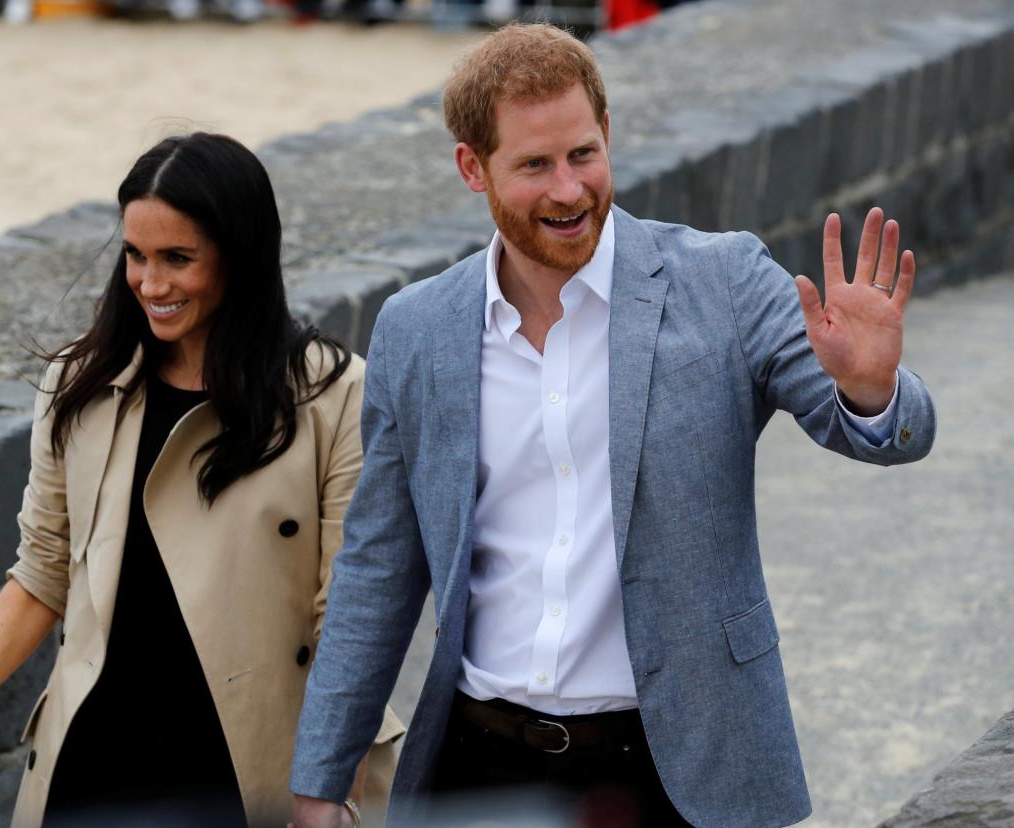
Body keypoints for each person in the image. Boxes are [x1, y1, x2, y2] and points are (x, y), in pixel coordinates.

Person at [289, 23, 935, 828]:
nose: (569, 190)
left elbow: (875, 429)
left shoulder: (725, 280)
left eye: (583, 154)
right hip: (480, 763)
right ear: (472, 167)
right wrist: (321, 778)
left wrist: (874, 391)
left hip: (683, 773)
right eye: (533, 165)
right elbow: (378, 567)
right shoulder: (416, 329)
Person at [0, 133, 403, 828]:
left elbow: (349, 624)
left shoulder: (334, 397)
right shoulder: (79, 386)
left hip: (248, 770)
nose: (151, 284)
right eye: (135, 256)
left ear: (239, 254)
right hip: (96, 760)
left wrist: (331, 790)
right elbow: (42, 573)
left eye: (178, 259)